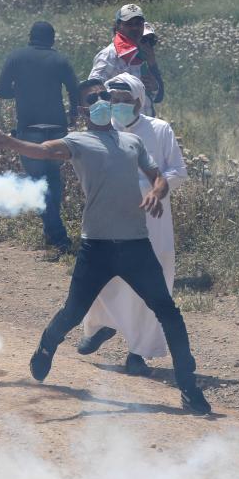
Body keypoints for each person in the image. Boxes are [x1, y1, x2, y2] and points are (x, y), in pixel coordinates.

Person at [0, 79, 211, 415]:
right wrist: (6, 142)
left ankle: (189, 388)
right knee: (73, 312)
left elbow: (158, 176)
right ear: (83, 110)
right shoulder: (78, 142)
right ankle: (47, 344)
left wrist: (157, 193)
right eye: (95, 98)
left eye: (107, 96)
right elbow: (43, 150)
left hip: (135, 244)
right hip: (97, 247)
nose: (104, 101)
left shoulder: (132, 142)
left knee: (168, 312)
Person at [77, 73, 188, 376]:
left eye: (127, 100)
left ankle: (138, 353)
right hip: (112, 219)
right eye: (115, 100)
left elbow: (178, 170)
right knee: (104, 277)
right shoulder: (103, 131)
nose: (120, 105)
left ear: (139, 101)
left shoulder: (159, 130)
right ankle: (100, 326)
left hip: (153, 220)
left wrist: (151, 187)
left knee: (151, 287)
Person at [0, 21, 78, 254]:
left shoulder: (16, 57)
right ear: (52, 39)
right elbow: (74, 89)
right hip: (57, 129)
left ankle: (59, 237)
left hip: (29, 128)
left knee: (36, 182)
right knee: (52, 178)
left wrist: (21, 91)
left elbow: (1, 91)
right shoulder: (61, 60)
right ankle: (51, 234)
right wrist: (73, 115)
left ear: (30, 37)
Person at [89, 4, 164, 116]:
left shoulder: (143, 52)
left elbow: (157, 96)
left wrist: (154, 86)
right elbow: (93, 89)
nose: (135, 28)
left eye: (138, 23)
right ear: (118, 26)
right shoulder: (109, 54)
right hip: (121, 127)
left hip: (145, 122)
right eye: (129, 24)